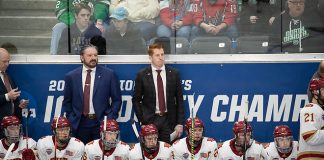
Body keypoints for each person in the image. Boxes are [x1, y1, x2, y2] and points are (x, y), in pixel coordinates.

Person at [62, 45, 122, 144]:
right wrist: (72, 118)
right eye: (89, 55)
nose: (93, 58)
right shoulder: (71, 76)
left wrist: (110, 118)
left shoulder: (109, 74)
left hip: (101, 123)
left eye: (95, 55)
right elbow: (67, 101)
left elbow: (117, 100)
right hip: (79, 123)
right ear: (82, 57)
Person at [132, 43, 184, 144]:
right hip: (150, 120)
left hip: (168, 121)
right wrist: (142, 121)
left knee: (167, 151)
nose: (161, 58)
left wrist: (179, 123)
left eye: (162, 54)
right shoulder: (142, 75)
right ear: (150, 58)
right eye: (157, 55)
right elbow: (136, 100)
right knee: (151, 151)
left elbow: (179, 99)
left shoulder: (174, 73)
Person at [0, 48, 29, 139]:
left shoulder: (8, 77)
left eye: (8, 61)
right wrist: (7, 96)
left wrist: (19, 106)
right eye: (4, 61)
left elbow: (13, 101)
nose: (7, 64)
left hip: (12, 128)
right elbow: (8, 97)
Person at [298, 78, 324, 159]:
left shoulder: (318, 110)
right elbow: (310, 136)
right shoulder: (310, 109)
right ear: (315, 92)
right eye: (323, 90)